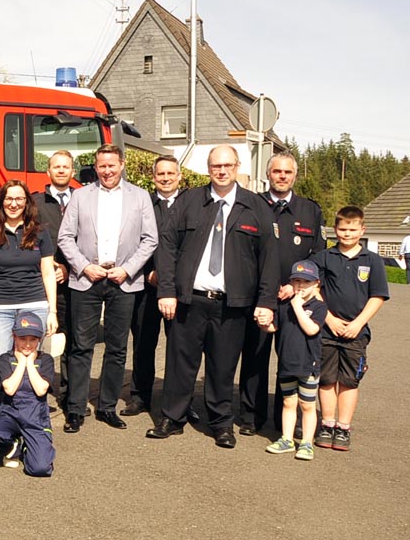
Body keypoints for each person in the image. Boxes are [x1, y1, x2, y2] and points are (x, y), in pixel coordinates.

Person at [148, 145, 279, 448]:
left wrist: (266, 301)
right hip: (189, 301)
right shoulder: (189, 201)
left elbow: (269, 259)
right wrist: (167, 291)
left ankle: (221, 423)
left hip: (232, 305)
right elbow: (166, 247)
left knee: (222, 367)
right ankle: (172, 417)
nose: (221, 171)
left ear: (237, 167)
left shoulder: (255, 207)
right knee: (180, 364)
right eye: (215, 166)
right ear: (208, 169)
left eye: (227, 165)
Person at [56, 144, 157, 433]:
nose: (107, 171)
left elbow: (150, 239)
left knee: (116, 348)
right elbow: (65, 237)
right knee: (81, 346)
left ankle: (107, 407)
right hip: (87, 277)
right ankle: (75, 409)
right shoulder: (80, 195)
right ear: (96, 167)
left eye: (112, 165)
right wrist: (84, 266)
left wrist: (128, 269)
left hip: (123, 279)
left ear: (122, 165)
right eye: (102, 166)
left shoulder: (139, 197)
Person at [237, 152, 326, 435]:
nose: (282, 176)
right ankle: (252, 417)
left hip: (295, 301)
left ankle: (285, 421)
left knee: (292, 360)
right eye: (277, 171)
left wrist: (294, 286)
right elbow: (243, 251)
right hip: (260, 297)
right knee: (254, 359)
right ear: (269, 174)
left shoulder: (310, 210)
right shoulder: (252, 205)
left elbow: (318, 256)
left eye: (288, 172)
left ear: (295, 175)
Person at [0, 179, 58, 412]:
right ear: (1, 202)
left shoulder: (40, 233)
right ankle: (3, 421)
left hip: (35, 306)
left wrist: (52, 311)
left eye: (19, 199)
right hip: (0, 309)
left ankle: (30, 419)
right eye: (9, 199)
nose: (14, 204)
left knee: (30, 366)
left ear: (27, 202)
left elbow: (48, 274)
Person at [311, 207, 389, 452]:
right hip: (327, 331)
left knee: (348, 382)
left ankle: (343, 428)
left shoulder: (372, 260)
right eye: (343, 229)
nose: (347, 234)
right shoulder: (324, 257)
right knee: (326, 380)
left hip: (356, 334)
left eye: (353, 229)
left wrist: (358, 323)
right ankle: (327, 424)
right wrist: (329, 319)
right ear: (335, 230)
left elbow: (377, 296)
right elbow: (314, 289)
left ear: (362, 230)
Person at [126, 155, 182, 417]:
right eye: (161, 174)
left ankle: (178, 399)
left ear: (179, 176)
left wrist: (171, 274)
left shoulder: (190, 204)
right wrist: (148, 271)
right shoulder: (142, 203)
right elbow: (131, 241)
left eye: (171, 173)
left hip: (179, 289)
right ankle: (140, 396)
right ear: (153, 177)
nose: (166, 178)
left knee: (179, 345)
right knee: (143, 342)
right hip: (145, 285)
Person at [265, 261, 327, 461]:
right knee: (288, 401)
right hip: (287, 363)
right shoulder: (284, 306)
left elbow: (312, 329)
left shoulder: (318, 307)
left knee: (307, 405)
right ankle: (286, 439)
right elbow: (274, 327)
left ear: (316, 284)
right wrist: (263, 323)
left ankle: (307, 442)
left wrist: (298, 307)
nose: (300, 286)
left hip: (308, 365)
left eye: (306, 282)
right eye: (297, 281)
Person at [0, 312, 55, 476]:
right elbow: (9, 388)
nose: (27, 344)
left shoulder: (46, 360)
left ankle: (29, 447)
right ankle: (13, 445)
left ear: (39, 340)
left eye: (33, 339)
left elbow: (40, 389)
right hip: (11, 413)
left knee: (40, 469)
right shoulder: (5, 359)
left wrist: (29, 362)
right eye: (22, 338)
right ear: (14, 336)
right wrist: (21, 363)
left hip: (35, 417)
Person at [31, 151, 75, 390]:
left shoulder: (82, 199)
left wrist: (68, 267)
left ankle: (68, 392)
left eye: (65, 167)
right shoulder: (35, 202)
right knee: (37, 337)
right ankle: (37, 389)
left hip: (75, 280)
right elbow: (27, 241)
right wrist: (51, 266)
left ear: (72, 172)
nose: (61, 170)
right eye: (56, 167)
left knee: (70, 338)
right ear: (48, 172)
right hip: (42, 279)